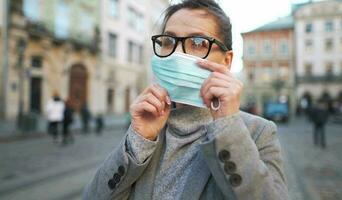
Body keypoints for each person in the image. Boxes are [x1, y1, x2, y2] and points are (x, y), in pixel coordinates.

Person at [83, 1, 288, 199]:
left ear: (226, 61)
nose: (178, 53)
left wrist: (228, 127)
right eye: (168, 42)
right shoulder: (149, 130)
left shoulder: (259, 132)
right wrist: (138, 141)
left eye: (198, 43)